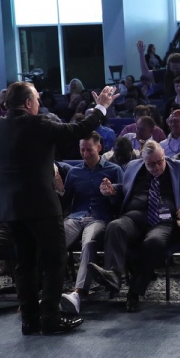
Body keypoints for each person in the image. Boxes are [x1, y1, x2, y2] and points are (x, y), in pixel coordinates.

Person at [0, 81, 115, 334]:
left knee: (25, 263)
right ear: (28, 103)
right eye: (36, 99)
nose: (38, 103)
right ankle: (50, 318)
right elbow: (79, 129)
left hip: (10, 208)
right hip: (41, 206)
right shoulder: (39, 123)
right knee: (54, 260)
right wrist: (101, 107)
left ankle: (29, 320)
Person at [94, 139, 180, 312]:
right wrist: (113, 190)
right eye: (151, 164)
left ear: (164, 156)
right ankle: (113, 275)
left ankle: (134, 292)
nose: (157, 167)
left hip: (164, 220)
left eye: (160, 162)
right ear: (143, 160)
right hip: (135, 215)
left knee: (153, 242)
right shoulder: (133, 166)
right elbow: (125, 189)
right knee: (115, 226)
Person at [59, 134, 124, 315]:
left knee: (89, 243)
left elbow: (123, 203)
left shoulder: (114, 170)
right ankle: (47, 288)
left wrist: (112, 193)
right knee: (55, 241)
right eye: (82, 150)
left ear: (99, 148)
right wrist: (59, 190)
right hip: (76, 216)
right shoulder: (74, 172)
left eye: (89, 149)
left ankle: (78, 293)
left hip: (99, 217)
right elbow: (65, 203)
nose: (85, 154)